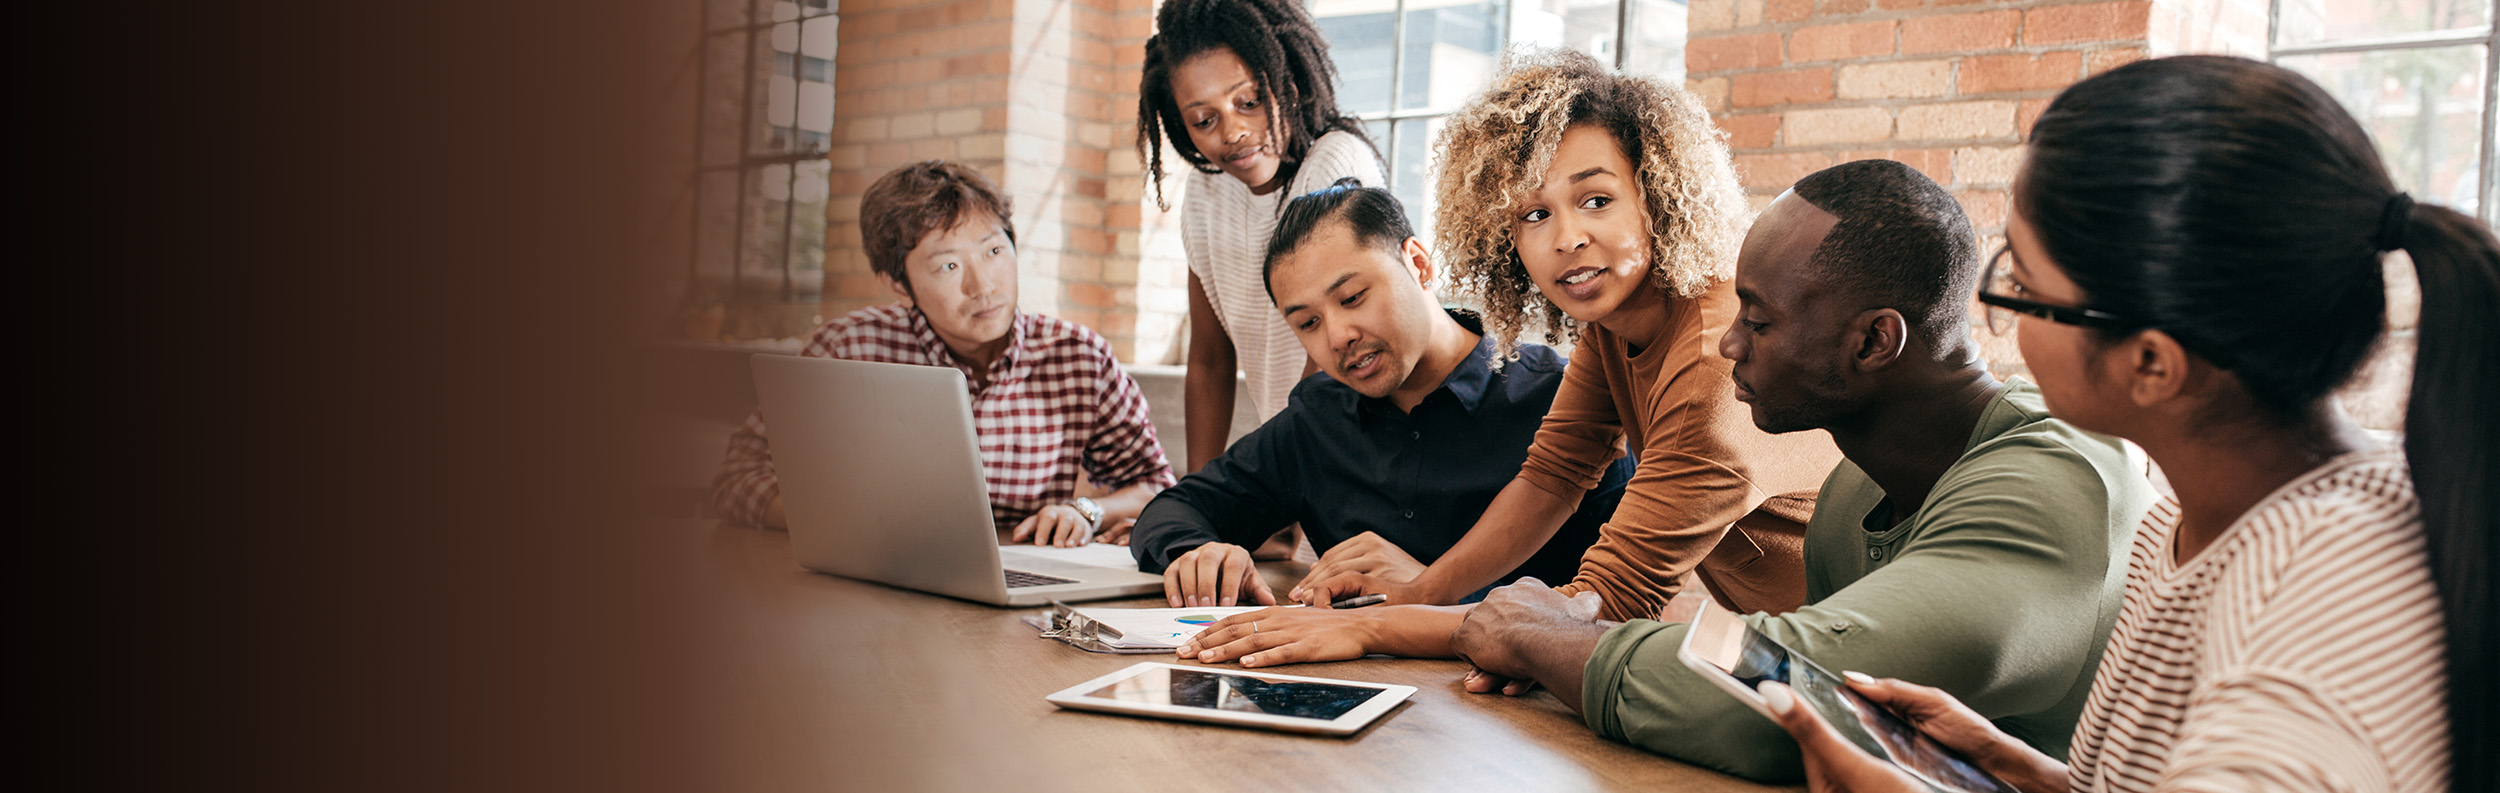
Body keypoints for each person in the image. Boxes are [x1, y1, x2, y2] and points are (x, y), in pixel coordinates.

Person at [1758, 55, 2492, 793]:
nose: (1998, 306)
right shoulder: (2179, 522)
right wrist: (2024, 773)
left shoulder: (2331, 591)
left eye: (2024, 283)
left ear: (2151, 363)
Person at [1439, 159, 2156, 781]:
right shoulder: (1852, 493)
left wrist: (1542, 635)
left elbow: (1796, 699)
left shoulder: (2059, 480)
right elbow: (1766, 653)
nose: (1729, 343)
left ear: (1874, 339)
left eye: (1759, 320)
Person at [1172, 48, 1839, 667]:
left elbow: (1603, 604)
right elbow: (1553, 473)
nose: (1567, 238)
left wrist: (1371, 626)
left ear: (1656, 192)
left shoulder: (1711, 362)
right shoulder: (1615, 323)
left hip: (1861, 659)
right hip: (1801, 642)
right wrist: (1411, 601)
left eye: (1596, 200)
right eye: (1533, 215)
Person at [1128, 179, 1632, 608]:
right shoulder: (1316, 420)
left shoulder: (1566, 404)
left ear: (1418, 263)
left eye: (1352, 298)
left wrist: (1428, 590)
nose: (1337, 336)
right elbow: (1173, 510)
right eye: (1307, 323)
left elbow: (1611, 610)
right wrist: (1202, 553)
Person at [710, 160, 1176, 546]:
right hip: (877, 572)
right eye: (949, 265)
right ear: (898, 284)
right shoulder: (846, 349)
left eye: (994, 251)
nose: (983, 285)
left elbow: (1156, 487)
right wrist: (848, 524)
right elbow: (738, 479)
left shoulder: (1079, 357)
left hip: (1024, 573)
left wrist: (1086, 510)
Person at [1137, 0, 1385, 478]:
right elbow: (1209, 360)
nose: (1233, 132)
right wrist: (1201, 500)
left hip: (1358, 458)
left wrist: (1281, 499)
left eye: (1248, 102)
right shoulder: (1206, 194)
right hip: (1296, 463)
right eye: (1204, 120)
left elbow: (1333, 359)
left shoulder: (1334, 164)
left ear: (1286, 83)